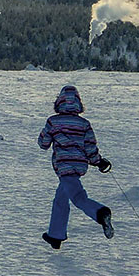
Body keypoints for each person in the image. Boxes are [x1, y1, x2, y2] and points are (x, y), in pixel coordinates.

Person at [37, 85, 114, 249]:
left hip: (64, 166)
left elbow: (43, 144)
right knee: (61, 199)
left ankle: (100, 213)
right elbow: (90, 148)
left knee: (79, 198)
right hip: (78, 166)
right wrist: (99, 162)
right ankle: (55, 235)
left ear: (59, 101)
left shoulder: (53, 121)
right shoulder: (84, 124)